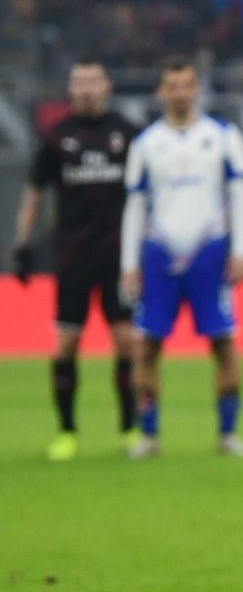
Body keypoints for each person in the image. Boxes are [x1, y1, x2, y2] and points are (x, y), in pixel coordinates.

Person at [119, 59, 243, 459]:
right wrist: (129, 263)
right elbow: (135, 204)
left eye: (186, 85)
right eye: (172, 86)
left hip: (210, 250)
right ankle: (149, 435)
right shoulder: (146, 144)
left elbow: (240, 195)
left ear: (197, 89)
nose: (180, 93)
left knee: (223, 342)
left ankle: (228, 433)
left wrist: (241, 251)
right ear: (160, 92)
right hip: (159, 251)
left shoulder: (223, 136)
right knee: (147, 346)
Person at [11, 60, 145, 460]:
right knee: (66, 343)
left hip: (118, 257)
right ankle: (66, 432)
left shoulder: (127, 133)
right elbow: (34, 193)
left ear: (107, 86)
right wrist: (22, 244)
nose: (86, 89)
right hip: (73, 257)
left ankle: (129, 430)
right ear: (69, 88)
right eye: (79, 82)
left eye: (93, 81)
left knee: (126, 342)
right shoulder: (56, 137)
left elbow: (147, 191)